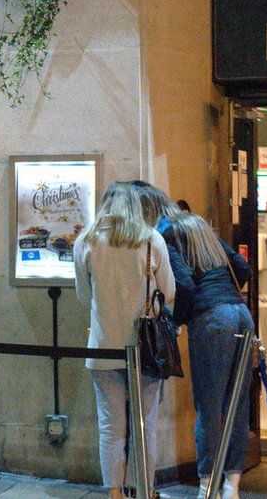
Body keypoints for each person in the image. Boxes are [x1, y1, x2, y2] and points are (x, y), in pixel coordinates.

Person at [73, 182, 175, 499]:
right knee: (146, 424)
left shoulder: (86, 241)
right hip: (145, 350)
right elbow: (168, 292)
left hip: (103, 347)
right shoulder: (150, 240)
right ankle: (143, 488)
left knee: (110, 425)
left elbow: (83, 297)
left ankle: (115, 492)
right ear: (135, 207)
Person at [166, 212, 252, 499]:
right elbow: (242, 268)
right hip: (241, 314)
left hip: (212, 319)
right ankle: (232, 485)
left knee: (209, 405)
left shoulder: (172, 238)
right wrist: (226, 294)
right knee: (238, 404)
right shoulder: (211, 238)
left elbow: (187, 286)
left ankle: (207, 486)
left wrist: (176, 320)